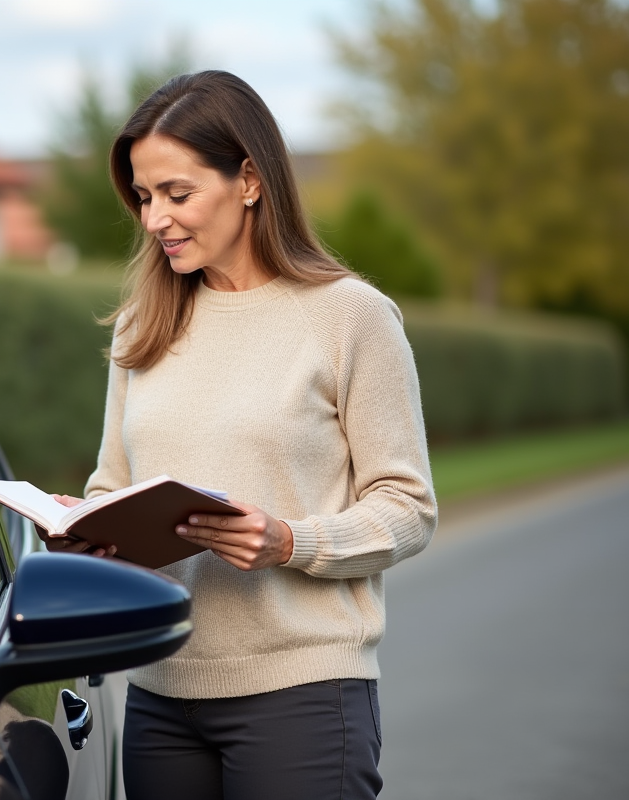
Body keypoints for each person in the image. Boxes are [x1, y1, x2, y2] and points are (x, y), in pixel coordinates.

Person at [53, 71, 436, 799]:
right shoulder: (144, 323)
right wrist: (88, 530)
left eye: (177, 193)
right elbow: (113, 482)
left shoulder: (351, 317)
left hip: (302, 696)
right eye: (142, 197)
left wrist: (290, 541)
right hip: (161, 690)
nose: (154, 219)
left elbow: (408, 507)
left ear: (250, 180)